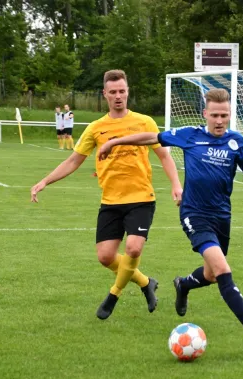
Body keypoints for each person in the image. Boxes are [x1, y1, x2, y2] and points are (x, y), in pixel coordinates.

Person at [97, 88, 243, 347]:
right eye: (215, 115)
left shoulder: (237, 142)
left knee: (212, 275)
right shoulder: (190, 135)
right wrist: (114, 142)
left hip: (222, 217)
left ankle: (184, 285)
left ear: (229, 115)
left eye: (224, 115)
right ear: (205, 114)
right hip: (194, 214)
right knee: (223, 269)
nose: (220, 120)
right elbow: (151, 137)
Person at [30, 69, 183, 320]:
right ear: (105, 94)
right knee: (105, 257)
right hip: (110, 201)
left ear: (128, 91)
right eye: (113, 92)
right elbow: (73, 161)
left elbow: (164, 155)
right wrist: (45, 181)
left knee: (133, 249)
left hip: (141, 198)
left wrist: (176, 184)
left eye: (122, 91)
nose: (118, 96)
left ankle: (113, 295)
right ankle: (146, 283)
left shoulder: (145, 122)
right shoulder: (96, 128)